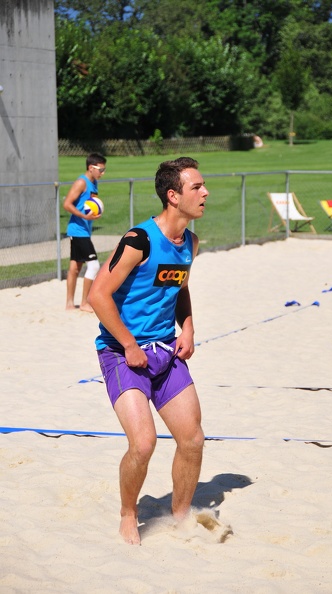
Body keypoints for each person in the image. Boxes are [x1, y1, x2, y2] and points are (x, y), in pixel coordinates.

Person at [88, 157, 208, 545]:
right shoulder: (138, 240)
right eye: (196, 188)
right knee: (143, 443)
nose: (205, 193)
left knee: (192, 439)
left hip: (165, 351)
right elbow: (97, 295)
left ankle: (180, 515)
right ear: (173, 196)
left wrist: (187, 327)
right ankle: (128, 514)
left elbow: (179, 287)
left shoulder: (189, 241)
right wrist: (127, 344)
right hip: (121, 353)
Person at [63, 153, 106, 312]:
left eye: (104, 170)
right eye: (100, 169)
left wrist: (94, 214)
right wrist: (83, 215)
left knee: (75, 267)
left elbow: (89, 204)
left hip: (84, 231)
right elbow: (67, 204)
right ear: (90, 167)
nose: (102, 173)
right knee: (94, 266)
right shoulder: (82, 182)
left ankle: (69, 304)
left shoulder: (94, 183)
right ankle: (84, 303)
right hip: (77, 230)